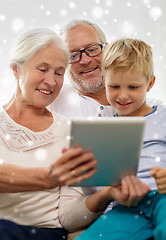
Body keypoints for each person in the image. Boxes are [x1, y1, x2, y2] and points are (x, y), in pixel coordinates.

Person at [0, 29, 150, 240]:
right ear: (16, 69)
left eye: (59, 73)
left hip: (43, 233)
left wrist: (107, 194)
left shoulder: (70, 132)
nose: (51, 82)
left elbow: (68, 212)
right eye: (42, 69)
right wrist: (46, 178)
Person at [75, 38, 166, 240]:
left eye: (133, 87)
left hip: (162, 197)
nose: (123, 96)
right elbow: (99, 186)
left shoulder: (163, 117)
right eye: (114, 86)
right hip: (125, 205)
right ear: (103, 81)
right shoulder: (103, 131)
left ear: (150, 83)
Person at [49, 19, 162, 118]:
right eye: (73, 55)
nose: (85, 60)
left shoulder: (153, 111)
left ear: (107, 49)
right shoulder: (52, 100)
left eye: (92, 49)